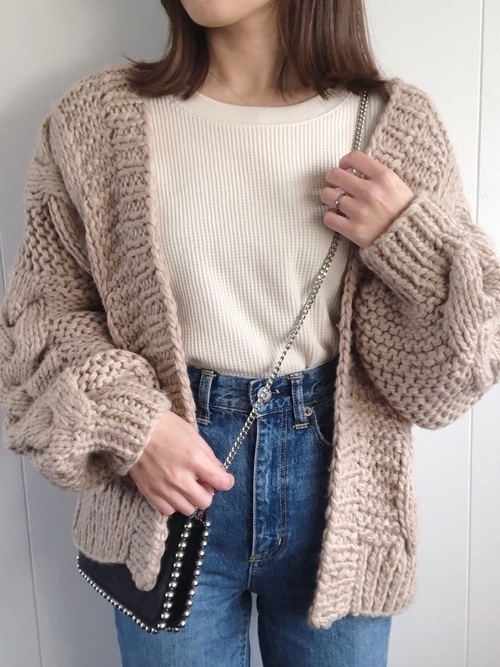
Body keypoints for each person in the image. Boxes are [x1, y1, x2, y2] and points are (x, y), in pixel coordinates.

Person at [1, 0, 499, 665]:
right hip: (161, 492)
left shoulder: (392, 124)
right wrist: (131, 423)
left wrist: (407, 236)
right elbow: (38, 319)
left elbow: (453, 372)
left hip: (343, 502)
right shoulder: (94, 121)